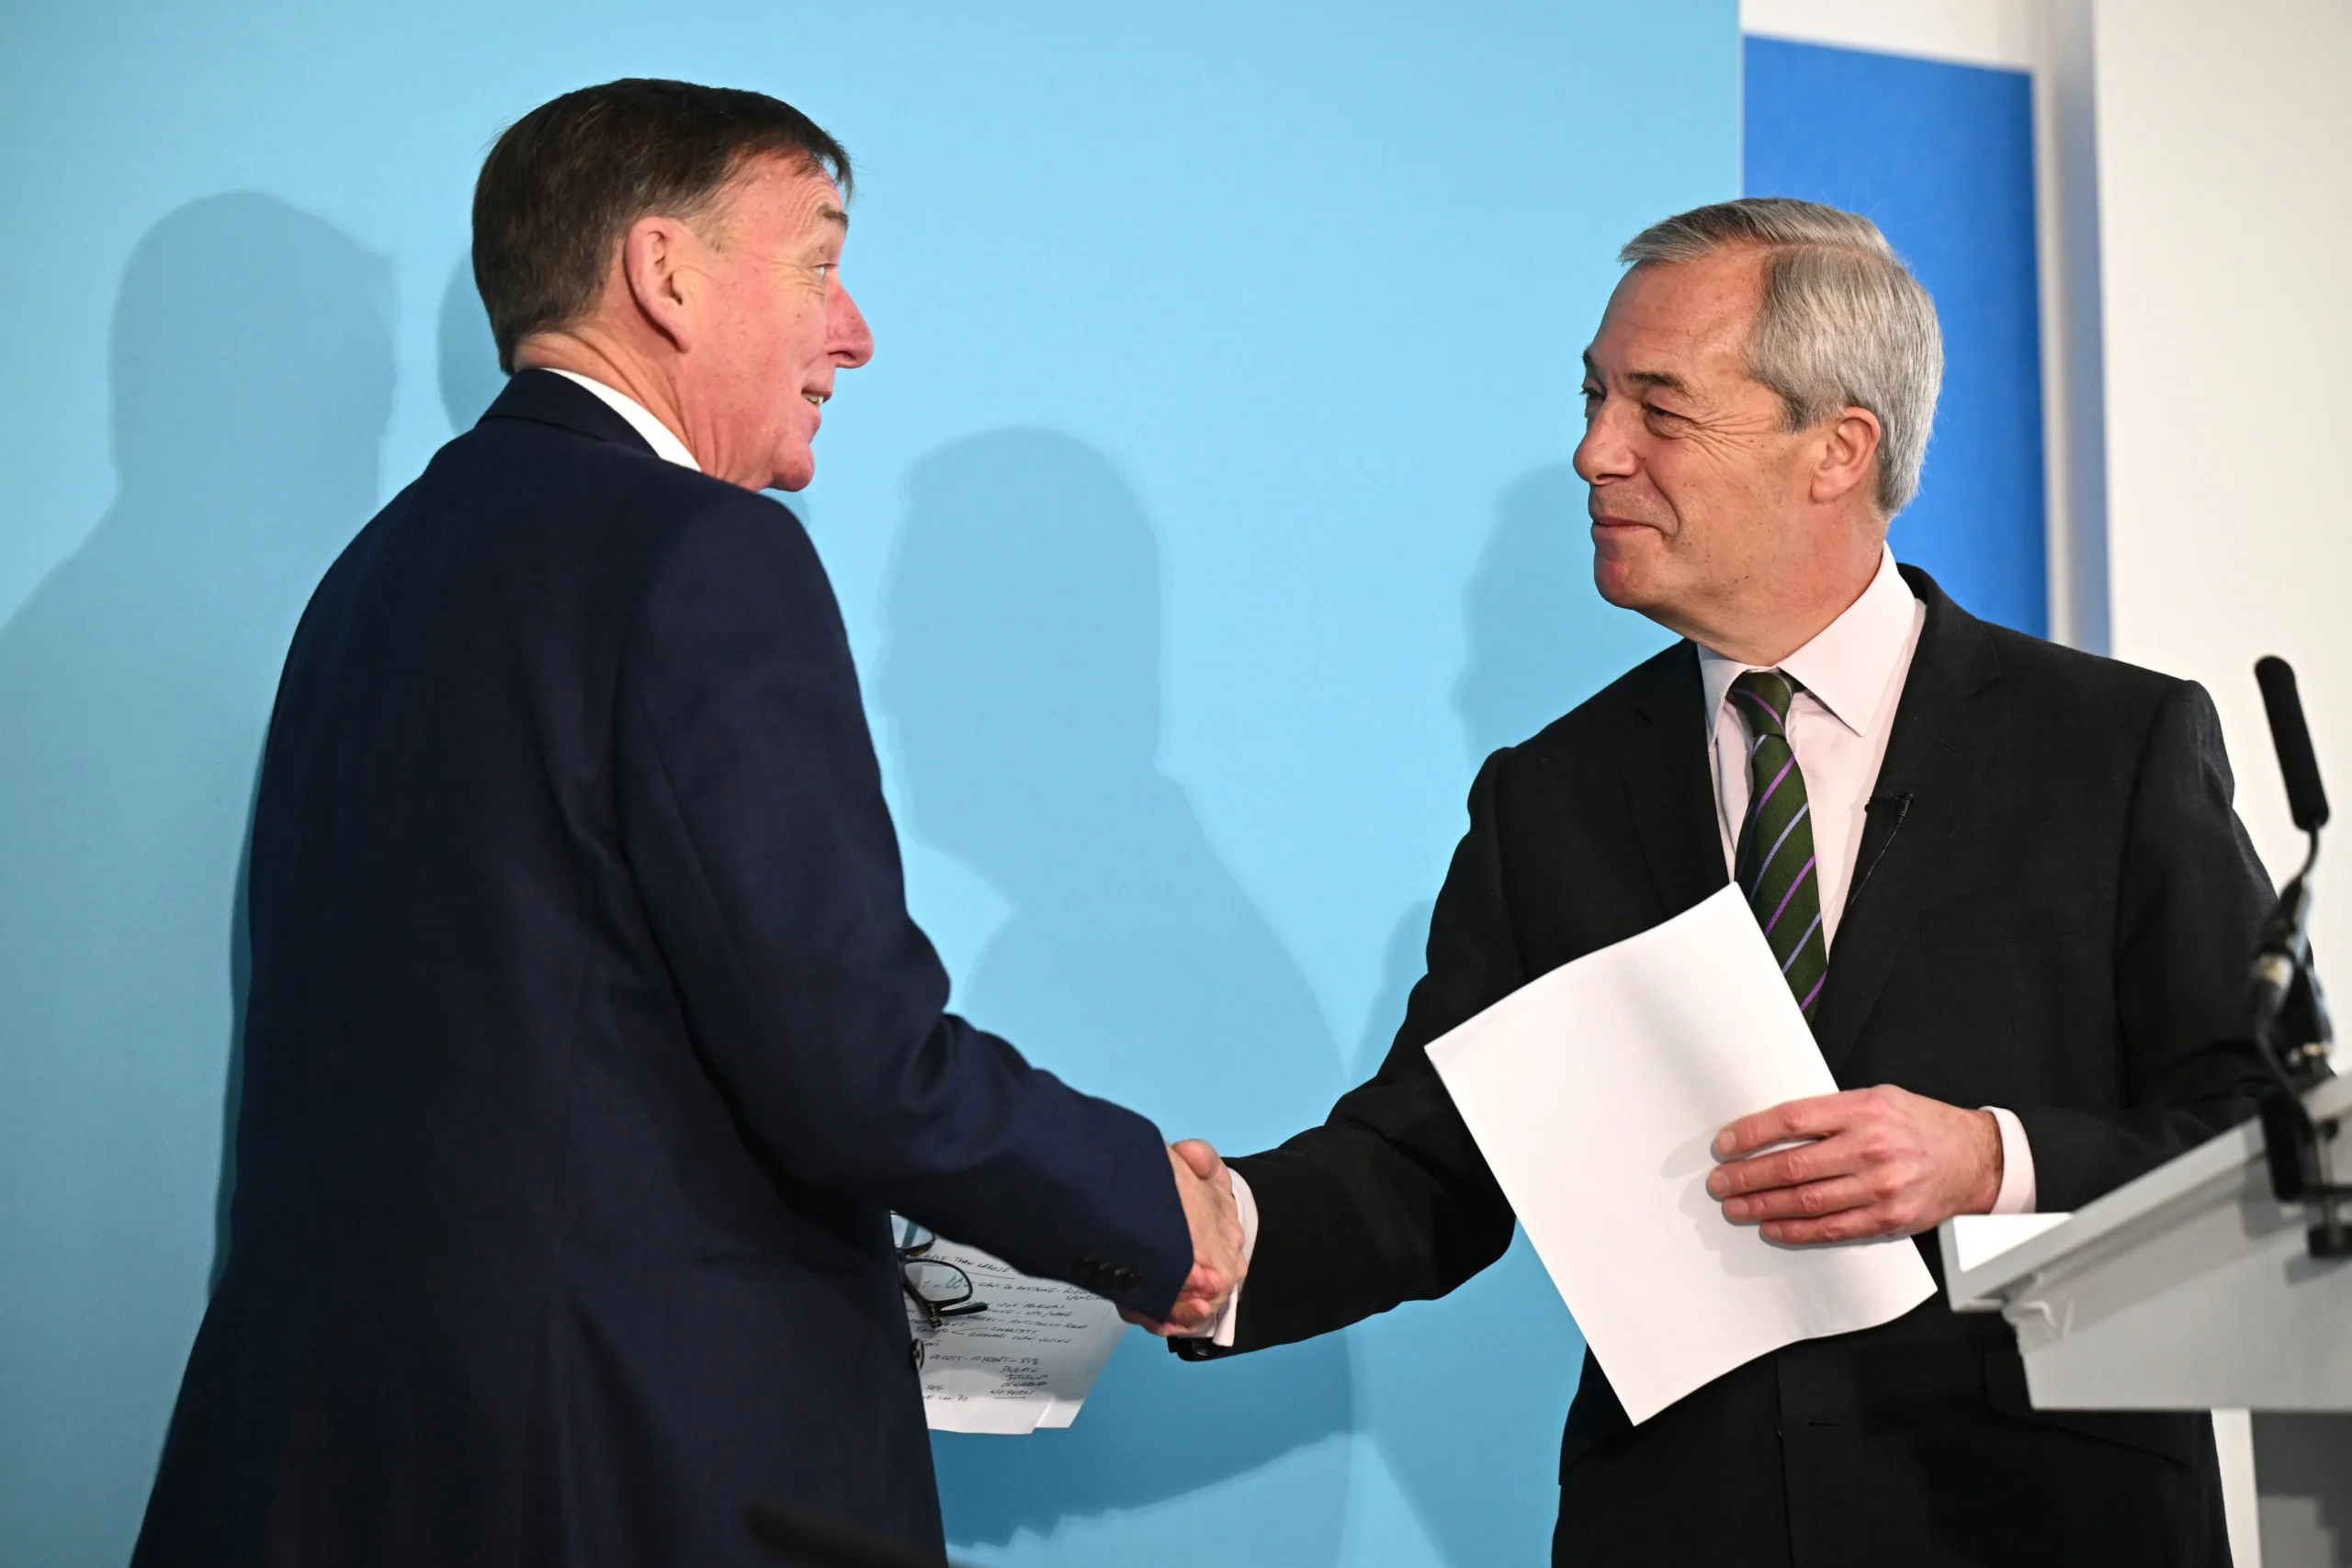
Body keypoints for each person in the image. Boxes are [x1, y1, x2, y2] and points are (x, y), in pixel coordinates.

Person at [131, 78, 1241, 1568]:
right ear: (663, 274)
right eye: (819, 264)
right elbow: (853, 1063)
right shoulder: (707, 556)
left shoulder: (366, 585)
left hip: (318, 1469)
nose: (854, 330)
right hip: (618, 1474)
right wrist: (1161, 1224)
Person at [1163, 198, 2269, 1567]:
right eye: (1592, 395)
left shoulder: (2110, 747)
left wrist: (1991, 1158)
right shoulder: (1549, 794)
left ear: (1838, 447)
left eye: (1659, 409)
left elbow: (2268, 1137)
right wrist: (1221, 1233)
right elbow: (1427, 1164)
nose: (1594, 450)